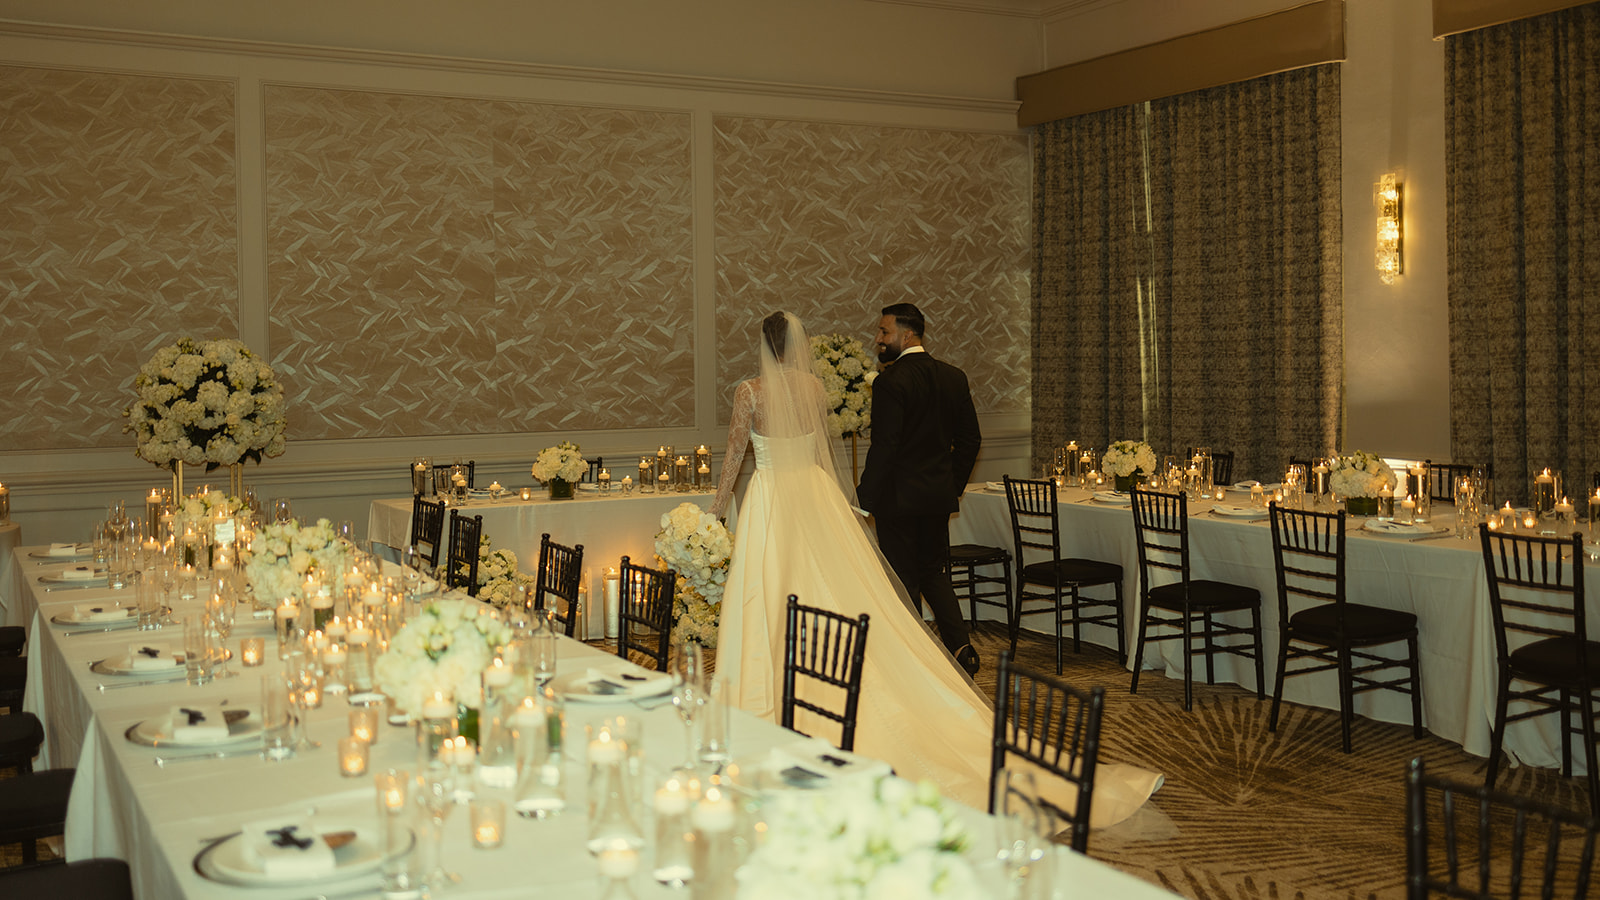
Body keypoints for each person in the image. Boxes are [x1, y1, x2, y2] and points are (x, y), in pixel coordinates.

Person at [709, 312, 1163, 819]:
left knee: (772, 590)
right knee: (877, 583)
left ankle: (772, 692)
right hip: (819, 497)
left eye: (884, 331)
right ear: (798, 346)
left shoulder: (751, 391)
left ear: (764, 346)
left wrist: (712, 513)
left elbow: (734, 458)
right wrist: (888, 494)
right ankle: (943, 644)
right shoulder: (817, 389)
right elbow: (829, 451)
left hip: (775, 499)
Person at [855, 302, 982, 674]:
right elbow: (970, 441)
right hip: (935, 499)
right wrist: (951, 486)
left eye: (884, 332)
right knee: (933, 573)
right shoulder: (953, 376)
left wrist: (865, 499)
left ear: (907, 335)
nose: (878, 339)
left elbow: (885, 447)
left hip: (897, 501)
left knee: (903, 578)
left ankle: (914, 662)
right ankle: (962, 649)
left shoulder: (891, 382)